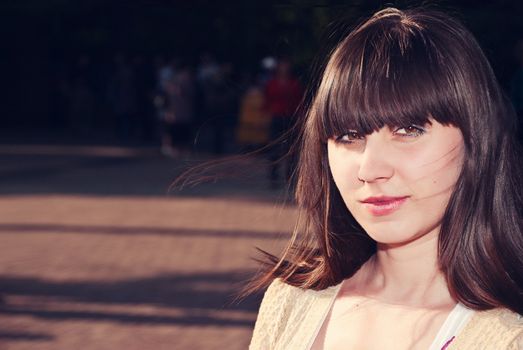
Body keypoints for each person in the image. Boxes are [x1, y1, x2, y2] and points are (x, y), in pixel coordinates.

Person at [249, 7, 523, 350]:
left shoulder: (507, 336)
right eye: (349, 136)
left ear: (476, 139)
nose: (369, 169)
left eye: (408, 130)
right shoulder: (290, 301)